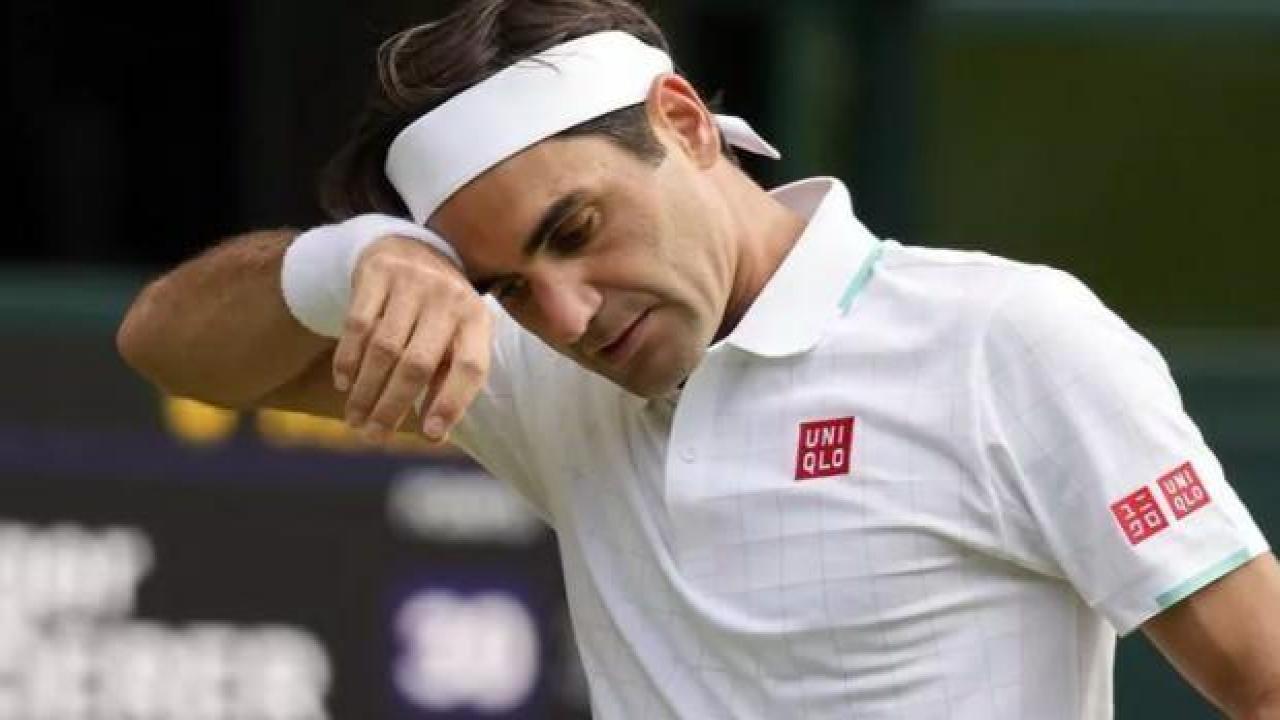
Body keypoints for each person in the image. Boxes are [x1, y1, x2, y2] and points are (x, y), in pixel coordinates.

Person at [116, 0, 1280, 717]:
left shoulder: (1005, 338)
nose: (566, 315)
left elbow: (1261, 675)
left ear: (679, 121)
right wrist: (364, 260)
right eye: (505, 286)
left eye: (575, 229)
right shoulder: (542, 373)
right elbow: (170, 347)